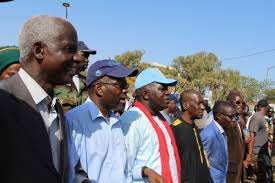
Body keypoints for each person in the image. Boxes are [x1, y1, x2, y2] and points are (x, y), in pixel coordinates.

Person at [0, 15, 80, 183]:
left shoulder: (55, 108)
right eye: (70, 49)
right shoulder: (4, 101)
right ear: (39, 50)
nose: (78, 58)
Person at [66, 59, 138, 183]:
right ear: (99, 88)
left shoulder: (116, 122)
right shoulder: (74, 120)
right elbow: (69, 171)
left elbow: (123, 169)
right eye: (120, 85)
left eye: (125, 86)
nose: (125, 91)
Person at [120, 67, 181, 183]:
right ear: (146, 94)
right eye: (162, 89)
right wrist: (144, 171)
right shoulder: (132, 120)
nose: (168, 92)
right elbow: (123, 168)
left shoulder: (161, 119)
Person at [172, 89, 212, 183]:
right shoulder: (176, 129)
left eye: (203, 103)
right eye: (198, 103)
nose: (202, 107)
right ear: (186, 105)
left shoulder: (194, 127)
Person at [200, 101, 236, 183]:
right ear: (219, 116)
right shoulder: (208, 134)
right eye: (231, 117)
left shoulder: (222, 131)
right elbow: (202, 164)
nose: (234, 120)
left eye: (235, 117)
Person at [55, 41, 96, 112]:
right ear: (73, 53)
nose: (87, 60)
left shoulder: (88, 82)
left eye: (88, 57)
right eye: (84, 55)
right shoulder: (56, 78)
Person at [248, 99, 270, 182]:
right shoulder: (257, 117)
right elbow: (251, 135)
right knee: (258, 177)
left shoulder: (262, 117)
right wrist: (250, 154)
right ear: (266, 107)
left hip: (262, 152)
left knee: (262, 176)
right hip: (256, 153)